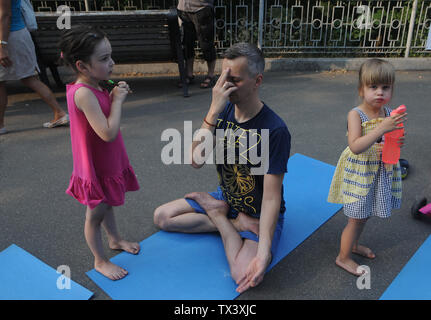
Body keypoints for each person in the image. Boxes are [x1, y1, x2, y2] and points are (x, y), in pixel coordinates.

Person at [154, 42, 291, 293]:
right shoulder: (224, 109)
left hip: (258, 212)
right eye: (223, 77)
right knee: (162, 217)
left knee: (243, 275)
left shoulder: (275, 130)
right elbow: (196, 160)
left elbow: (272, 197)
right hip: (226, 196)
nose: (224, 86)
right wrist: (214, 109)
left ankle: (221, 216)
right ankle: (226, 218)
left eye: (234, 79)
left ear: (257, 80)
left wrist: (263, 253)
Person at [59, 25, 140, 280]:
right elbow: (107, 132)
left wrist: (113, 90)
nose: (112, 63)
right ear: (82, 66)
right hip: (94, 165)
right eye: (104, 59)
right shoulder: (83, 93)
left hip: (107, 160)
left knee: (108, 205)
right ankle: (100, 260)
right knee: (94, 214)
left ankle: (115, 240)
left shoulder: (96, 84)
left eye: (111, 56)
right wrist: (117, 101)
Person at [327, 59, 407, 276]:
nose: (379, 92)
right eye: (373, 87)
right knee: (355, 219)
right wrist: (382, 128)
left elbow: (391, 140)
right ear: (361, 89)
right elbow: (355, 146)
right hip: (360, 174)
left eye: (385, 87)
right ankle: (343, 257)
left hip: (378, 172)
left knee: (365, 215)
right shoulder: (356, 114)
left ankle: (353, 246)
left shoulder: (389, 113)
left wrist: (397, 140)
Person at [0, 0, 69, 135]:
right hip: (16, 36)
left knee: (3, 82)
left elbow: (5, 15)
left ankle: (0, 125)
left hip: (9, 38)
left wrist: (2, 45)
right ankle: (59, 113)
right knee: (29, 78)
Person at [177, 0, 217, 89]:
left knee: (206, 43)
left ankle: (211, 75)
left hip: (202, 8)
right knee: (187, 44)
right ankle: (189, 75)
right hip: (184, 9)